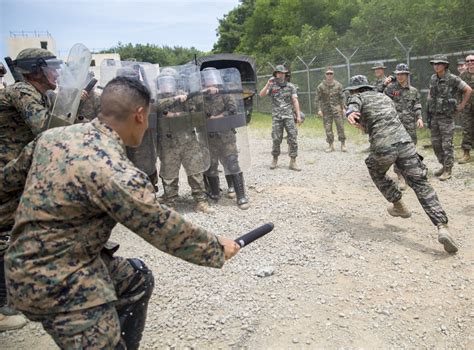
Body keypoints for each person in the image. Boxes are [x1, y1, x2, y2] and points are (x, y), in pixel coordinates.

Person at [2, 76, 240, 348]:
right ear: (139, 115)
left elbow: (7, 182)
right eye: (148, 117)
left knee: (137, 279)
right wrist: (217, 247)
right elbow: (163, 227)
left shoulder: (51, 137)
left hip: (27, 265)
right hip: (58, 282)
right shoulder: (116, 171)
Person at [345, 75, 458, 254]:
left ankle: (399, 205)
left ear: (353, 90)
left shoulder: (356, 97)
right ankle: (442, 227)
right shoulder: (385, 97)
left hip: (384, 146)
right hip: (405, 143)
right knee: (421, 184)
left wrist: (350, 113)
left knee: (375, 169)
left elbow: (353, 108)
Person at [0, 48, 65, 331]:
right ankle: (4, 307)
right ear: (36, 70)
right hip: (7, 173)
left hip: (20, 170)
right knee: (6, 233)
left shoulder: (38, 93)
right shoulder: (23, 91)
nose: (57, 73)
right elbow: (45, 129)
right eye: (51, 67)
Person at [156, 67, 214, 213]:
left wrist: (205, 93)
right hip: (168, 144)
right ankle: (170, 203)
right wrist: (174, 101)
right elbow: (156, 107)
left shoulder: (185, 96)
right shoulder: (156, 99)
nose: (166, 85)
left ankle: (201, 201)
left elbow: (200, 109)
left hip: (188, 141)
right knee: (169, 175)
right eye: (163, 82)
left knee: (195, 172)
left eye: (169, 82)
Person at [202, 67, 250, 210]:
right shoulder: (200, 98)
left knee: (232, 163)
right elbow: (194, 112)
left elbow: (232, 110)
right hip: (209, 139)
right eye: (207, 79)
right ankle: (215, 192)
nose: (210, 82)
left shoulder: (225, 94)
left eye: (212, 79)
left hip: (226, 137)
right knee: (211, 165)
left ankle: (240, 195)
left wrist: (217, 117)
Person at [427, 55, 472, 180]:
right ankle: (443, 165)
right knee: (436, 144)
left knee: (447, 144)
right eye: (435, 64)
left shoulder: (452, 79)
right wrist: (429, 101)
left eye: (439, 64)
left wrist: (462, 105)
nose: (436, 66)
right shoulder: (433, 78)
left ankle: (448, 169)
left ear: (445, 65)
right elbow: (431, 92)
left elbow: (468, 90)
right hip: (435, 115)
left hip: (446, 117)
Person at [385, 63, 423, 190]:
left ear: (407, 75)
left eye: (402, 74)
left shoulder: (413, 91)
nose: (400, 76)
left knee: (411, 149)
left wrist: (419, 118)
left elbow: (417, 105)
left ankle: (410, 174)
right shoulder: (390, 89)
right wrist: (384, 84)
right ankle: (400, 175)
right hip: (395, 125)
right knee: (397, 150)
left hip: (409, 125)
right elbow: (381, 99)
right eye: (398, 74)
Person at [259, 65, 302, 171]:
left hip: (288, 116)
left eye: (282, 73)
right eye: (278, 73)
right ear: (275, 74)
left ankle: (293, 161)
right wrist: (267, 84)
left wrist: (298, 115)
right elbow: (261, 94)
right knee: (276, 139)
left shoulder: (291, 86)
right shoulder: (272, 86)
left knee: (292, 137)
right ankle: (274, 159)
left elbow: (295, 101)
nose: (281, 74)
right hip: (277, 117)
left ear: (285, 74)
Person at [315, 66, 347, 152]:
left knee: (340, 127)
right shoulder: (321, 86)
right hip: (326, 110)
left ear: (333, 74)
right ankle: (330, 145)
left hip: (337, 109)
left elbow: (342, 97)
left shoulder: (338, 85)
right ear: (325, 75)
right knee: (328, 128)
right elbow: (317, 99)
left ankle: (343, 144)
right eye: (328, 73)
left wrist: (343, 107)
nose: (329, 75)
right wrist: (319, 110)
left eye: (331, 73)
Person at [459, 54, 474, 164]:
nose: (470, 63)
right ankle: (466, 154)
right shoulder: (462, 76)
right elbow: (458, 91)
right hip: (467, 108)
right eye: (468, 61)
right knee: (467, 130)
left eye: (472, 60)